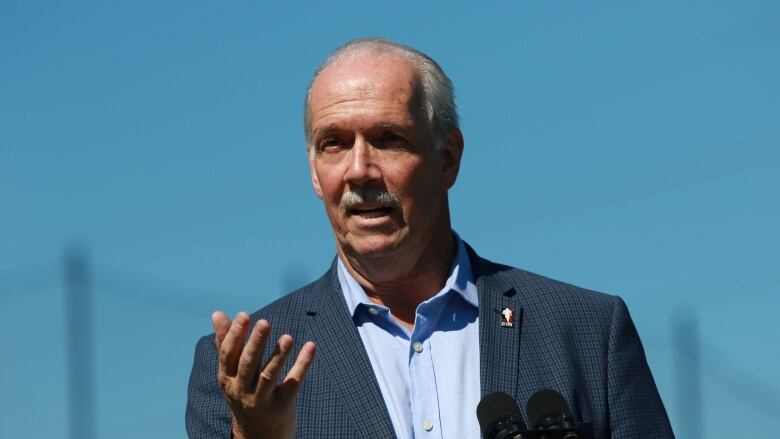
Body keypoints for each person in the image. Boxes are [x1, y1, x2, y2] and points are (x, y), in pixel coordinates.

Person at [186, 37, 674, 439]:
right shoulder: (244, 373)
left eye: (388, 138)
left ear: (448, 158)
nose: (359, 171)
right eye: (333, 144)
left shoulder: (588, 331)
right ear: (315, 172)